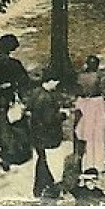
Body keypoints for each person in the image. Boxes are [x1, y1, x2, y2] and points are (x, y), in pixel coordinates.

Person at [0, 33, 32, 166]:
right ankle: (14, 151)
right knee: (13, 125)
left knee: (1, 125)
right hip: (10, 98)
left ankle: (6, 149)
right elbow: (24, 81)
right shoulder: (15, 64)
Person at [26, 69, 65, 198]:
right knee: (45, 161)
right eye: (55, 82)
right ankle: (43, 186)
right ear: (49, 81)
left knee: (41, 158)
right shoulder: (47, 98)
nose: (57, 85)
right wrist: (63, 115)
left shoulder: (36, 92)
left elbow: (29, 108)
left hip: (36, 132)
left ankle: (44, 184)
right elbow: (50, 119)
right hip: (46, 134)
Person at [73, 56, 105, 174]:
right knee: (98, 135)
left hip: (83, 105)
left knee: (86, 135)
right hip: (96, 105)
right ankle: (98, 163)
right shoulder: (98, 77)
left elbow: (78, 91)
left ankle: (86, 163)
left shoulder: (80, 77)